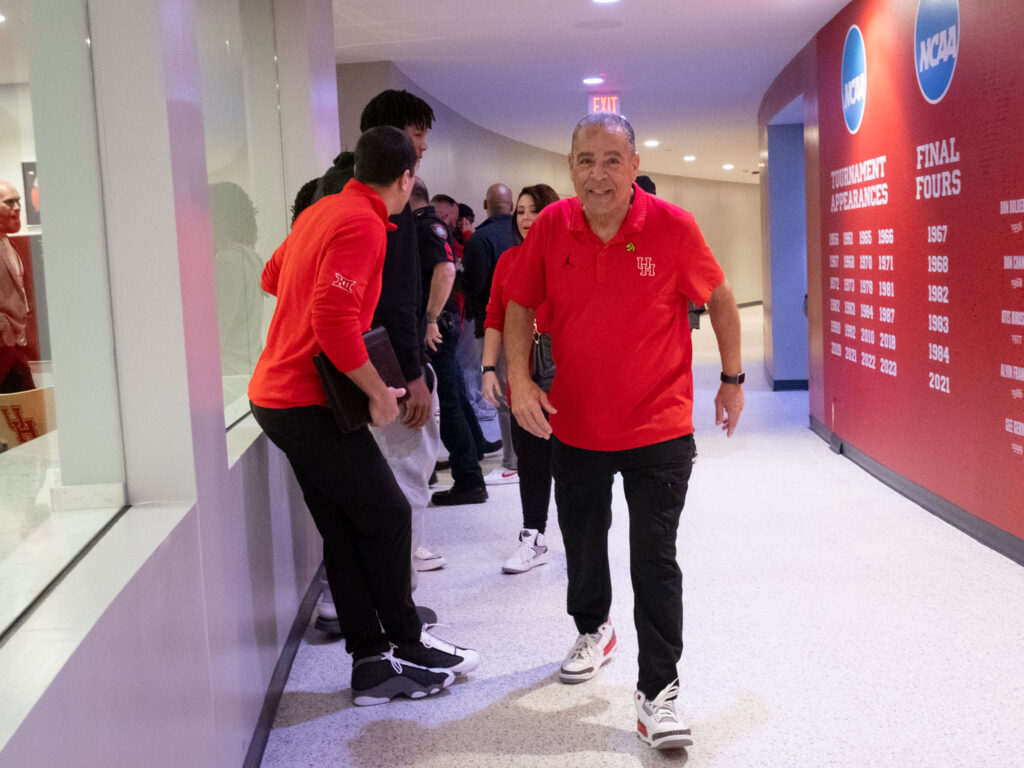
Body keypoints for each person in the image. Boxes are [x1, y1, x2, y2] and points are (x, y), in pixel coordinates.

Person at [503, 113, 744, 750]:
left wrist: (732, 378)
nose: (598, 174)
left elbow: (719, 297)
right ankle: (594, 628)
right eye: (586, 160)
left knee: (654, 558)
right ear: (570, 167)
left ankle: (658, 691)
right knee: (583, 545)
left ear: (635, 166)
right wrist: (520, 380)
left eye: (612, 160)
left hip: (658, 427)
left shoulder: (673, 227)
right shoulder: (551, 226)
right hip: (575, 425)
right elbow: (520, 303)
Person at [248, 126, 478, 705]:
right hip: (304, 400)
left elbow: (272, 277)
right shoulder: (363, 223)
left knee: (346, 525)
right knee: (388, 512)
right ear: (405, 178)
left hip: (279, 398)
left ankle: (373, 662)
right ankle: (406, 644)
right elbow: (331, 319)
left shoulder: (321, 211)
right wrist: (378, 392)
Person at [309, 91, 449, 626]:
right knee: (404, 482)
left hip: (328, 370)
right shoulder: (385, 202)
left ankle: (340, 600)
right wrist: (411, 377)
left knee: (349, 498)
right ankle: (398, 607)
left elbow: (281, 276)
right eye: (416, 134)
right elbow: (395, 297)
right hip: (378, 365)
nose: (423, 147)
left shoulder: (326, 191)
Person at [481, 184, 560, 571]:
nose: (527, 218)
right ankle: (533, 536)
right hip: (523, 370)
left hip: (564, 371)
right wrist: (487, 369)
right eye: (522, 211)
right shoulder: (509, 260)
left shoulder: (567, 258)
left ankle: (583, 539)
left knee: (573, 461)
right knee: (531, 459)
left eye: (535, 210)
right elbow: (495, 316)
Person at [410, 179, 490, 507]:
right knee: (453, 397)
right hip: (443, 324)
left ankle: (468, 478)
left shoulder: (424, 227)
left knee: (448, 402)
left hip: (436, 328)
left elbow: (446, 271)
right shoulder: (427, 226)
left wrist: (430, 318)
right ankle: (469, 472)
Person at [462, 183, 516, 423]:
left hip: (492, 328)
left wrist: (453, 278)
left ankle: (511, 448)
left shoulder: (480, 239)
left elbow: (474, 285)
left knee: (503, 396)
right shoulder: (526, 235)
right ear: (512, 206)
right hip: (532, 327)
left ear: (485, 205)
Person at [0, 180, 34, 393]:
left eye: (19, 201)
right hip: (4, 345)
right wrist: (4, 328)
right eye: (9, 202)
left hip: (15, 345)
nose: (18, 208)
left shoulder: (6, 242)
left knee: (29, 405)